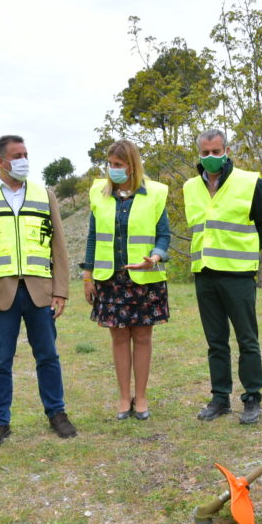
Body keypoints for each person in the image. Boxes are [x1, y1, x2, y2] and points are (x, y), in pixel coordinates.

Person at [0, 135, 76, 444]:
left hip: (40, 291)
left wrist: (60, 290)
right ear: (1, 162)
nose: (24, 159)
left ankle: (57, 413)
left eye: (26, 154)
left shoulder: (44, 194)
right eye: (17, 155)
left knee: (48, 356)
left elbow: (59, 246)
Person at [183, 129, 262, 425]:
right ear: (199, 153)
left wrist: (246, 253)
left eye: (216, 151)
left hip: (238, 275)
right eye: (206, 152)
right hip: (205, 274)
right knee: (216, 341)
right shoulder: (190, 187)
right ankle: (220, 398)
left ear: (227, 150)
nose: (211, 157)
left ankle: (252, 398)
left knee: (247, 339)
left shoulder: (250, 182)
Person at [81, 140, 171, 421]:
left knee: (142, 337)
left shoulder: (155, 193)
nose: (113, 169)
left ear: (132, 165)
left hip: (144, 278)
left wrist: (155, 257)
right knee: (119, 338)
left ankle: (141, 397)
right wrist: (87, 274)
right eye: (110, 164)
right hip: (110, 279)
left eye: (118, 165)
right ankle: (124, 397)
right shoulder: (99, 193)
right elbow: (93, 236)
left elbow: (164, 236)